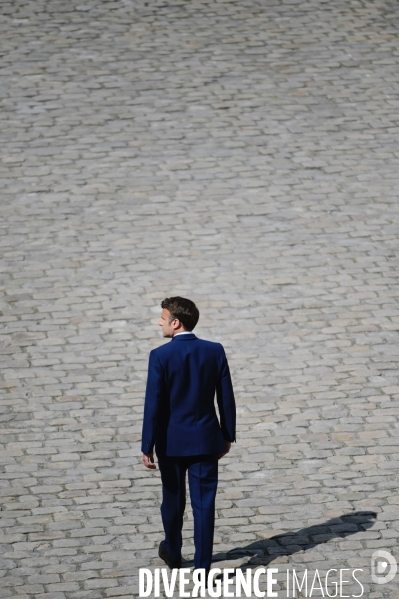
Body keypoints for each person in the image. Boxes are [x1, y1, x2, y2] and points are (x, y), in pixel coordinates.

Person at [141, 296, 236, 573]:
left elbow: (153, 404)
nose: (159, 322)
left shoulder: (160, 356)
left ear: (175, 322)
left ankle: (172, 551)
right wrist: (227, 434)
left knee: (172, 500)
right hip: (207, 441)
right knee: (204, 506)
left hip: (170, 444)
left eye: (162, 317)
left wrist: (147, 445)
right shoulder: (214, 351)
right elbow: (226, 398)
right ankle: (203, 569)